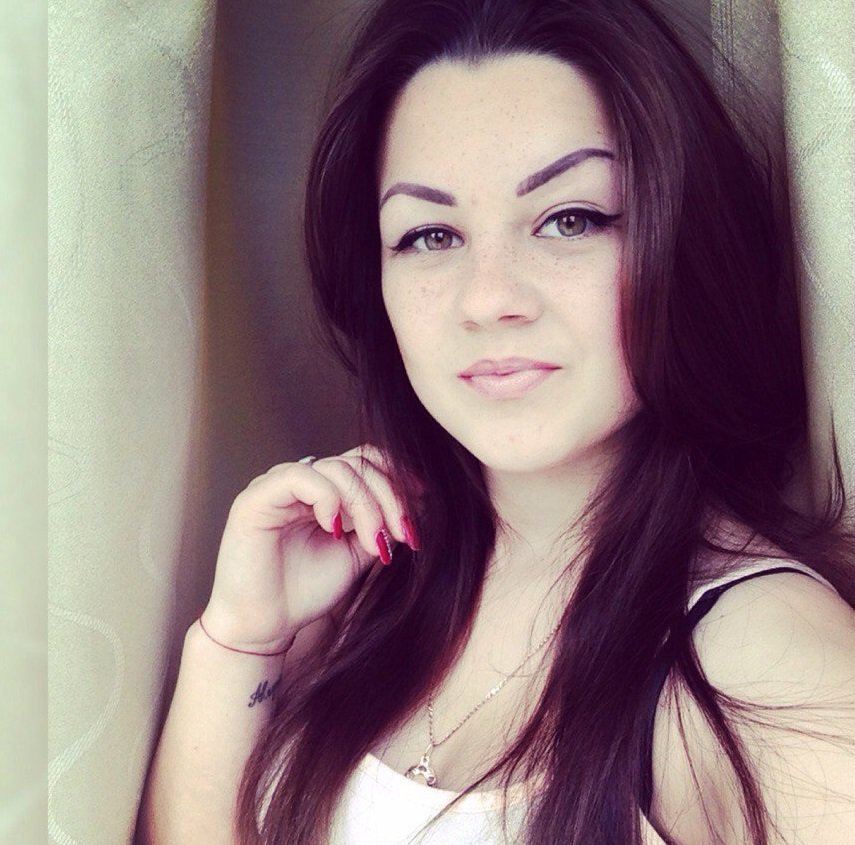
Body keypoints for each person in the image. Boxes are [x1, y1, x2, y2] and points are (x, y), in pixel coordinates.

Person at [138, 1, 855, 843]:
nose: (488, 299)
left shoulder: (764, 662)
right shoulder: (365, 594)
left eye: (569, 219)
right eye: (430, 235)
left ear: (679, 241)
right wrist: (241, 640)